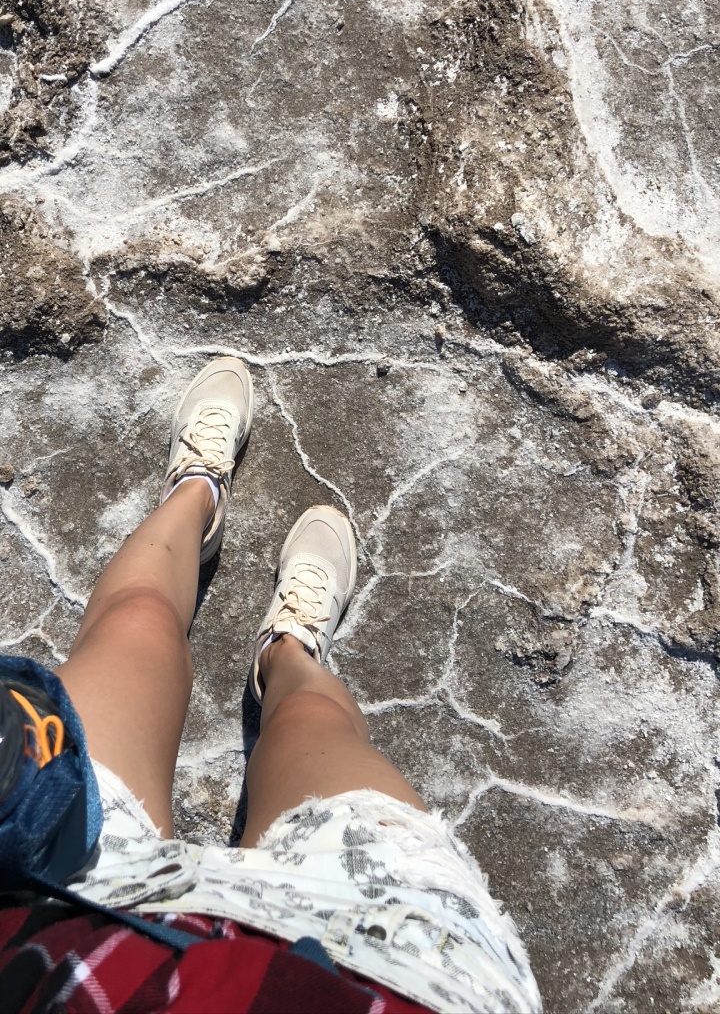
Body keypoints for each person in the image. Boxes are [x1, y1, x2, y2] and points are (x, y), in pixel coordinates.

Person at [0, 357, 542, 1013]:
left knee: (135, 622)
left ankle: (197, 495)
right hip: (374, 969)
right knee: (313, 719)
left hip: (43, 908)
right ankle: (290, 652)